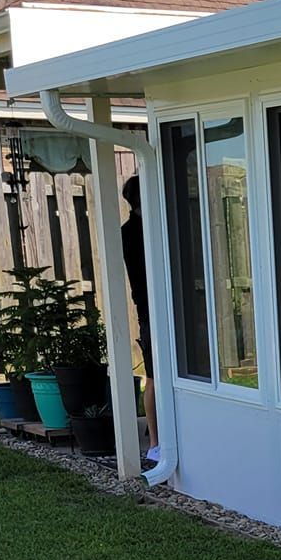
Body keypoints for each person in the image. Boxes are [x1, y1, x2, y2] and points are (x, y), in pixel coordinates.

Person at [120, 172, 158, 466]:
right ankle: (155, 443)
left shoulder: (137, 229)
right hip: (150, 310)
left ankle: (158, 441)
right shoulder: (137, 232)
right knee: (154, 377)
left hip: (152, 309)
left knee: (156, 377)